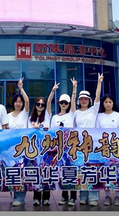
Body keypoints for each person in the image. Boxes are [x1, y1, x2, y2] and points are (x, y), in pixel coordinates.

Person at [75, 73, 102, 206]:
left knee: (93, 171)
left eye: (86, 99)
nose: (84, 101)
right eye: (82, 99)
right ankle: (83, 196)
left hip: (93, 146)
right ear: (79, 101)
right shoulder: (76, 113)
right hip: (80, 147)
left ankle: (93, 197)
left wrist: (99, 82)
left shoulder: (93, 110)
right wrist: (74, 89)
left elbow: (97, 97)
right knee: (81, 171)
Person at [29, 83, 57, 206]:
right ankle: (36, 197)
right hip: (35, 149)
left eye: (42, 104)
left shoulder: (47, 116)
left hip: (47, 149)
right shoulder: (30, 118)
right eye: (38, 104)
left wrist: (52, 91)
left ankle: (46, 198)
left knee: (46, 172)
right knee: (36, 172)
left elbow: (50, 102)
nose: (40, 106)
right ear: (35, 105)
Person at [52, 78, 77, 206]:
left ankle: (73, 197)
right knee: (62, 171)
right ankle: (64, 196)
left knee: (71, 170)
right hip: (59, 148)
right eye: (62, 102)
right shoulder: (54, 117)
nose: (63, 104)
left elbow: (73, 101)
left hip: (70, 147)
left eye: (65, 103)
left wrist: (74, 89)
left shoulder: (71, 115)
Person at [96, 94, 119, 206]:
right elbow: (96, 131)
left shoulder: (118, 115)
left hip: (116, 148)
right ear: (103, 103)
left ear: (113, 103)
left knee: (116, 172)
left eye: (110, 102)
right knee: (106, 172)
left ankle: (117, 195)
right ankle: (107, 195)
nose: (108, 104)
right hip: (104, 148)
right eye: (106, 102)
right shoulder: (99, 116)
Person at [8, 78, 30, 207]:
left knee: (21, 172)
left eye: (20, 102)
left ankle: (21, 198)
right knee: (13, 172)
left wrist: (21, 88)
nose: (18, 103)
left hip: (22, 148)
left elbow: (27, 101)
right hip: (11, 149)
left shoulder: (24, 114)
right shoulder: (8, 116)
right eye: (16, 101)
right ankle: (16, 196)